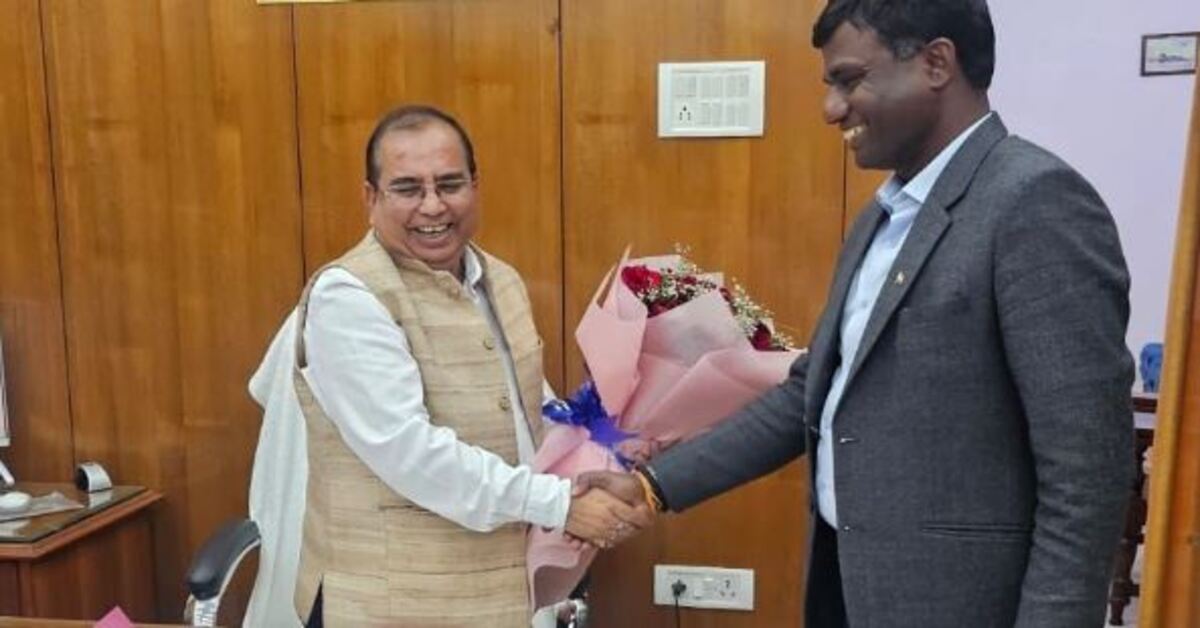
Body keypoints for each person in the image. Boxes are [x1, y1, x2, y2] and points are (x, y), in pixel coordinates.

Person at [579, 2, 1135, 626]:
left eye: (849, 80)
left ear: (936, 63)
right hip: (851, 589)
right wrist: (653, 485)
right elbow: (811, 397)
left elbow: (1087, 474)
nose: (831, 108)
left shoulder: (1033, 202)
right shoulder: (882, 219)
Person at [288, 105, 650, 627]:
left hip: (494, 594)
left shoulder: (500, 280)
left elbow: (526, 409)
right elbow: (409, 451)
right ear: (371, 197)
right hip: (389, 602)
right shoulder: (348, 297)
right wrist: (560, 504)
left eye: (450, 184)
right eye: (407, 188)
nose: (433, 205)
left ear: (475, 186)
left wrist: (611, 444)